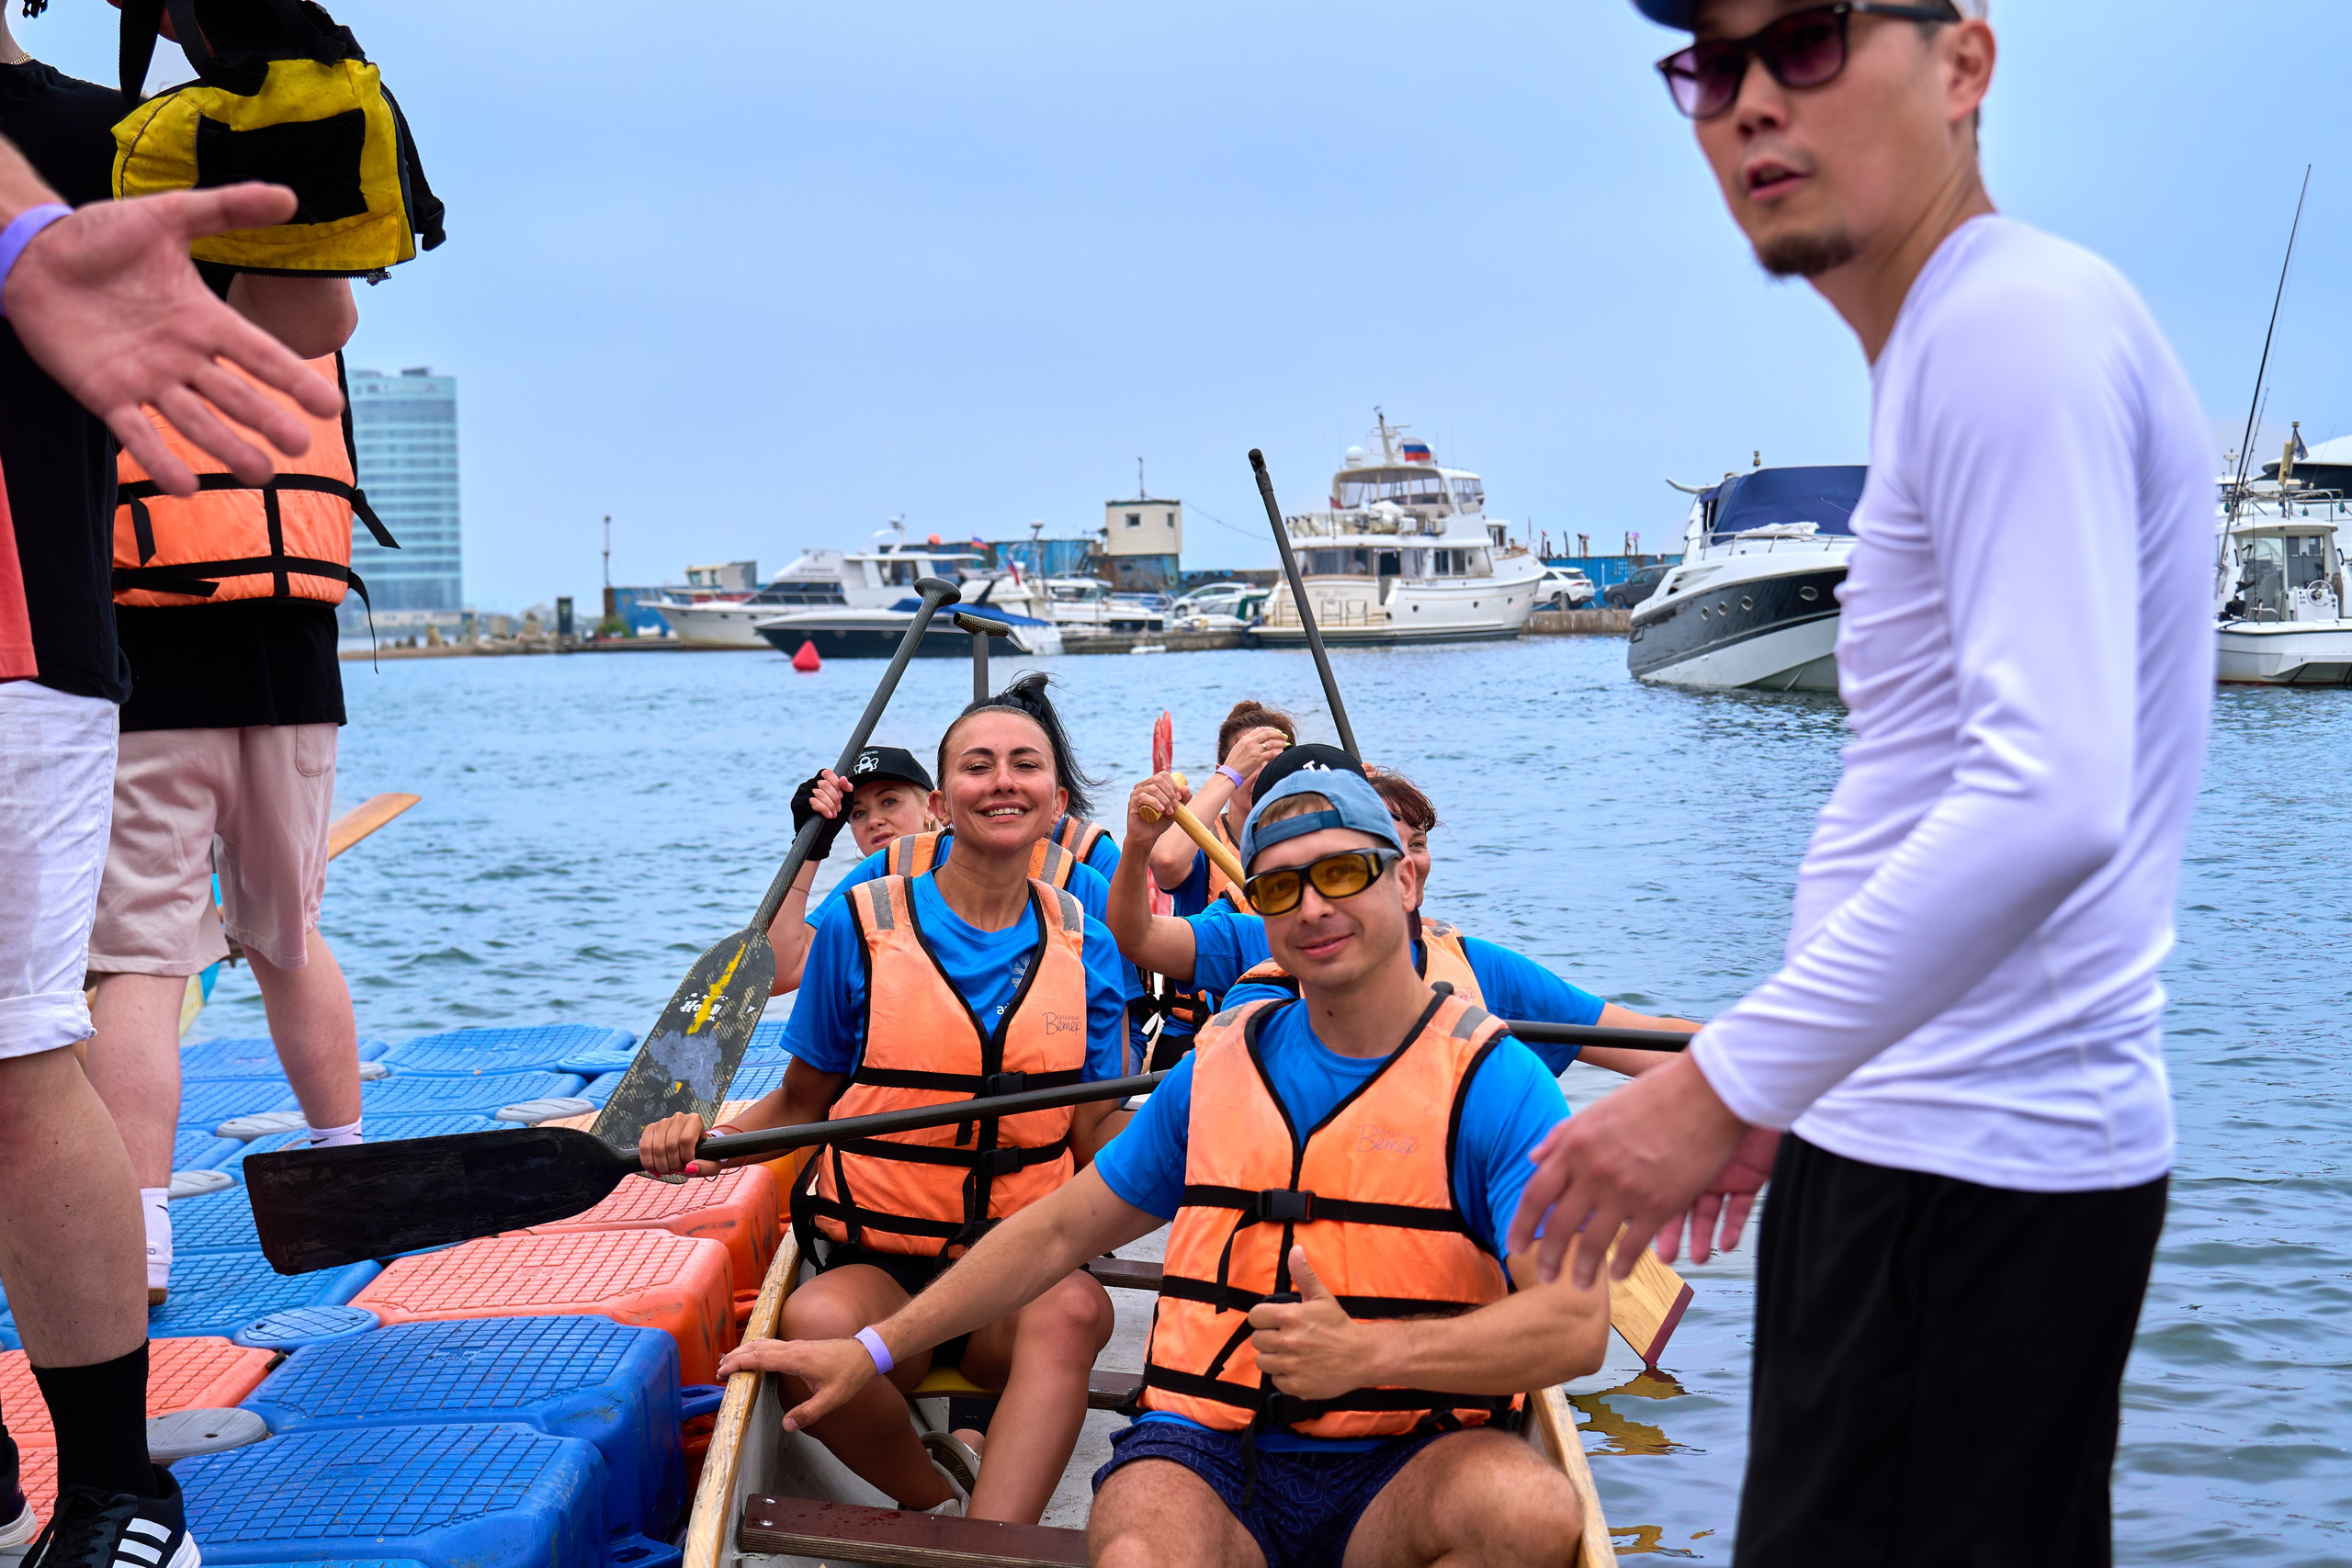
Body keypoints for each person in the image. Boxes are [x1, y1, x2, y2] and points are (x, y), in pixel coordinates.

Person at [1510, 5, 2211, 1563]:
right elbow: (1942, 793)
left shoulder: (2005, 332)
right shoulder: (1982, 334)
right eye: (1712, 63)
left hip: (1963, 1178)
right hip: (1927, 1141)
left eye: (1809, 41)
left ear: (1963, 66)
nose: (1751, 101)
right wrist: (1808, 1082)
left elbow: (2053, 792)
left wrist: (1726, 1080)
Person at [718, 767, 1610, 1568]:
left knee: (1528, 1508)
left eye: (1342, 874)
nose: (1312, 908)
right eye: (1279, 888)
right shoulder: (1219, 1069)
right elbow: (1059, 1230)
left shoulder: (1500, 1086)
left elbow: (1574, 1330)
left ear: (1406, 878)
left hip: (1412, 1451)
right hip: (1210, 1449)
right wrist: (871, 1349)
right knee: (1141, 1549)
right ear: (1254, 911)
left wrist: (1375, 1351)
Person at [0, 13, 343, 1568]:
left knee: (34, 1041)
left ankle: (117, 1488)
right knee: (233, 943)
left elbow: (313, 294)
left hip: (21, 639)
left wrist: (303, 100)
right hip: (201, 670)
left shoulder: (101, 135)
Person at [638, 688, 1133, 1525]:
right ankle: (935, 1500)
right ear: (941, 804)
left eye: (1025, 766)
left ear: (1056, 803)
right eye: (978, 766)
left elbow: (1099, 1132)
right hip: (881, 1261)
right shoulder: (860, 929)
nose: (1002, 783)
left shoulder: (1091, 943)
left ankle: (989, 1542)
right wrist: (703, 1140)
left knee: (1079, 1306)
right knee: (809, 1324)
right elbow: (802, 1099)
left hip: (1017, 1268)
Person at [84, 271, 361, 1304]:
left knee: (140, 962)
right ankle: (341, 1173)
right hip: (295, 661)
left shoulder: (103, 288)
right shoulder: (308, 293)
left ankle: (140, 1244)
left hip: (145, 665)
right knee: (287, 935)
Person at [1110, 744, 1695, 1078]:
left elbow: (1642, 1040)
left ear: (1408, 876)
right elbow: (1138, 938)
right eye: (1333, 864)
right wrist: (1138, 844)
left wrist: (1776, 1051)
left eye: (1415, 846)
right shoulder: (1255, 940)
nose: (1318, 908)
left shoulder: (1477, 969)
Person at [765, 745, 940, 989]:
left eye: (889, 801)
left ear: (931, 808)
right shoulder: (864, 885)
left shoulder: (961, 861)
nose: (874, 820)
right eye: (858, 813)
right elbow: (781, 974)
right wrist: (809, 847)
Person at [1143, 699, 1295, 916]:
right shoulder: (1201, 843)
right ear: (1222, 772)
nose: (1263, 774)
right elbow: (1165, 861)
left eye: (1272, 763)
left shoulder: (1307, 838)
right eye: (1251, 763)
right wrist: (1231, 774)